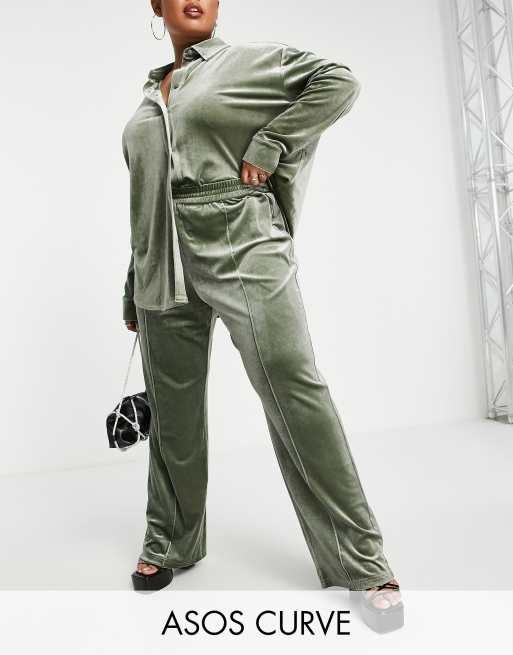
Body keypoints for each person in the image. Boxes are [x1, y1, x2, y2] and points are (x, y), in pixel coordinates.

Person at [120, 0, 403, 633]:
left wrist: (273, 140)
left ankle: (362, 562)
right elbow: (144, 198)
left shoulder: (250, 64)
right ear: (156, 5)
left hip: (241, 238)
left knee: (294, 389)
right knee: (173, 412)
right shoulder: (147, 98)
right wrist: (133, 282)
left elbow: (338, 81)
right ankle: (171, 541)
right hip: (161, 261)